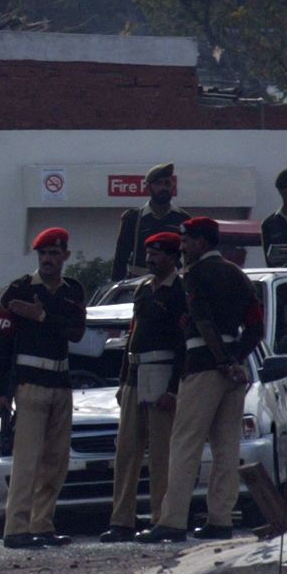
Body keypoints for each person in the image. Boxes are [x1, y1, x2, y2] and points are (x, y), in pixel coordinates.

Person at [141, 218, 261, 543]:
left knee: (185, 444)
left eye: (186, 241)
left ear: (202, 242)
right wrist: (235, 358)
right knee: (226, 448)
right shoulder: (238, 274)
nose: (182, 247)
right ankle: (220, 519)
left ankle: (173, 520)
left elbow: (202, 319)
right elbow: (256, 326)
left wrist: (221, 359)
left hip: (203, 367)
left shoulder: (194, 275)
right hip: (234, 371)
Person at [0, 228, 88, 549]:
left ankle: (42, 524)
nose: (47, 260)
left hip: (61, 384)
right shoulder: (18, 290)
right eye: (43, 254)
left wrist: (42, 315)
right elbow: (2, 342)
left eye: (54, 254)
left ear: (65, 256)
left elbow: (76, 332)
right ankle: (16, 529)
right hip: (29, 385)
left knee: (56, 461)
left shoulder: (73, 291)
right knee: (27, 460)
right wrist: (0, 392)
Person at [103, 230, 183, 542]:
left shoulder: (178, 291)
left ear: (173, 257)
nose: (151, 259)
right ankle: (121, 519)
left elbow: (182, 345)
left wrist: (173, 389)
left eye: (158, 254)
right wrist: (123, 381)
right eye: (149, 253)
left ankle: (161, 519)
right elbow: (131, 337)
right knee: (126, 452)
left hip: (162, 372)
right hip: (136, 373)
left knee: (162, 454)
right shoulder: (143, 290)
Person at [111, 164, 189, 282]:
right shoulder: (133, 218)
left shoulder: (183, 218)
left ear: (173, 187)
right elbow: (121, 257)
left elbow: (189, 256)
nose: (163, 188)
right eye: (158, 183)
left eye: (167, 183)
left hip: (173, 284)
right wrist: (116, 285)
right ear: (148, 187)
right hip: (137, 284)